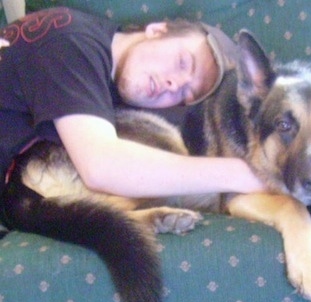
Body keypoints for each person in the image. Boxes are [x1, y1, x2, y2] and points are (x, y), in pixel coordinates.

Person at [0, 6, 263, 202]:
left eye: (184, 94)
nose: (174, 84)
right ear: (157, 31)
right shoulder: (72, 43)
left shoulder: (108, 85)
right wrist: (248, 174)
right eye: (183, 62)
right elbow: (101, 167)